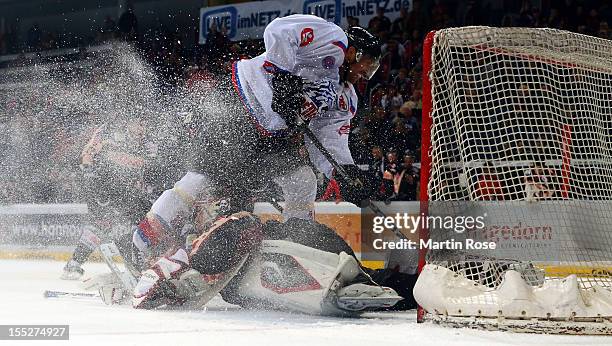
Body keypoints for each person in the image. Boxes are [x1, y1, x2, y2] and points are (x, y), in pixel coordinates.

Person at [131, 15, 382, 260]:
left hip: (272, 134)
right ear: (354, 54)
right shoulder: (334, 40)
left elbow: (329, 139)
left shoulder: (346, 98)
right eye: (368, 66)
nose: (367, 74)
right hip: (241, 102)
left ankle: (297, 253)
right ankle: (142, 245)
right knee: (200, 181)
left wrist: (344, 172)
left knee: (302, 181)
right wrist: (282, 74)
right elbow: (280, 30)